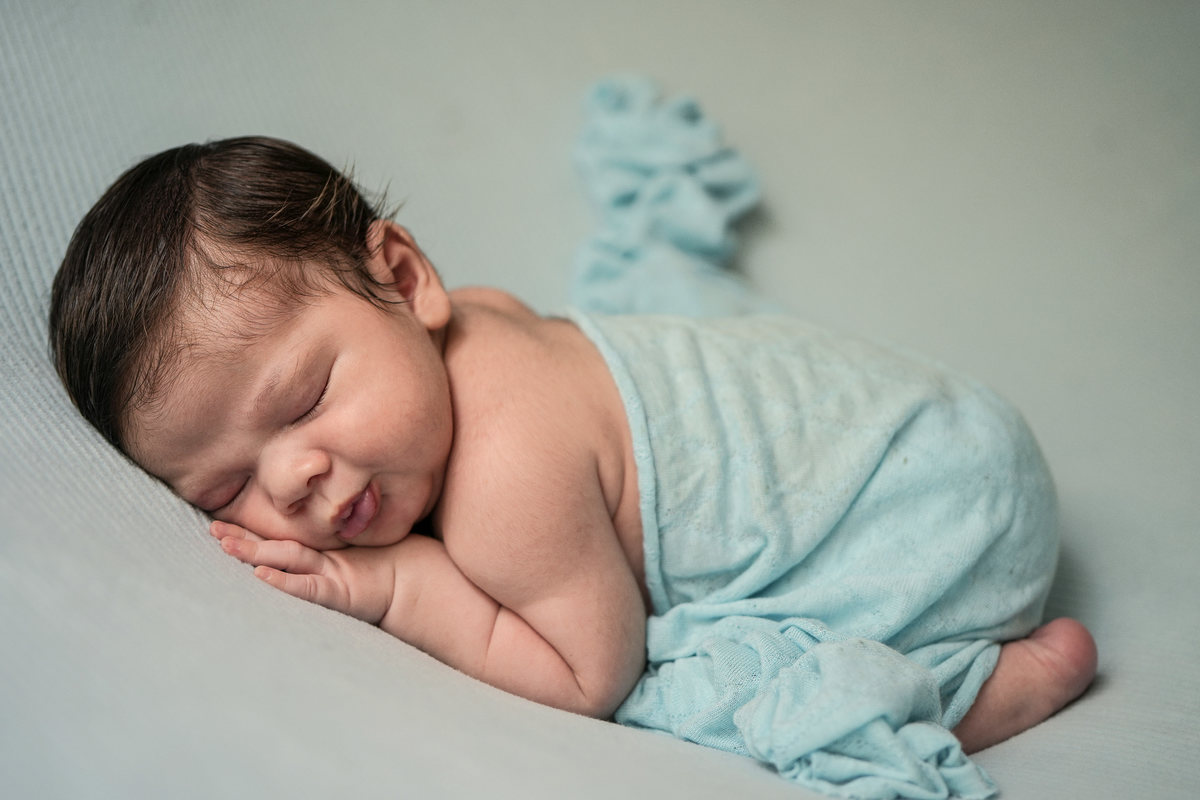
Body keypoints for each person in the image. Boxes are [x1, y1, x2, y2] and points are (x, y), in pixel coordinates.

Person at [49, 135, 1095, 797]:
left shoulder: (509, 476)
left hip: (942, 519)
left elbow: (592, 674)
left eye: (306, 400)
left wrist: (401, 584)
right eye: (226, 488)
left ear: (406, 278)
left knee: (720, 679)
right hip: (944, 421)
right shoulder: (482, 323)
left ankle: (986, 685)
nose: (296, 479)